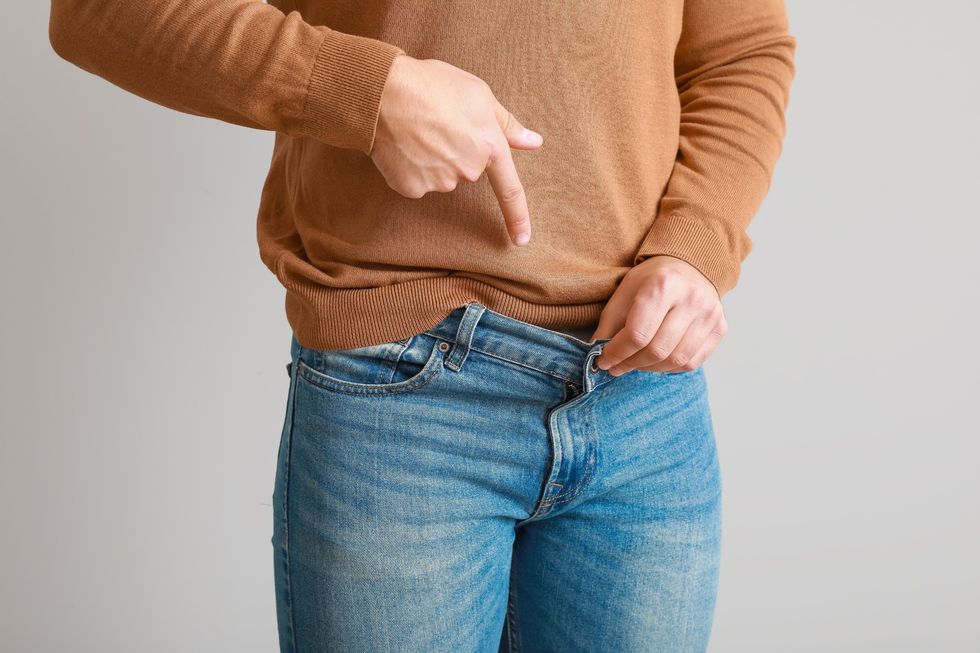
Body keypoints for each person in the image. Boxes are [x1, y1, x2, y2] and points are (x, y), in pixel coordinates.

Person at [48, 1, 796, 650]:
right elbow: (101, 12)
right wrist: (368, 91)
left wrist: (697, 242)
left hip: (642, 399)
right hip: (401, 401)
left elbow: (742, 51)